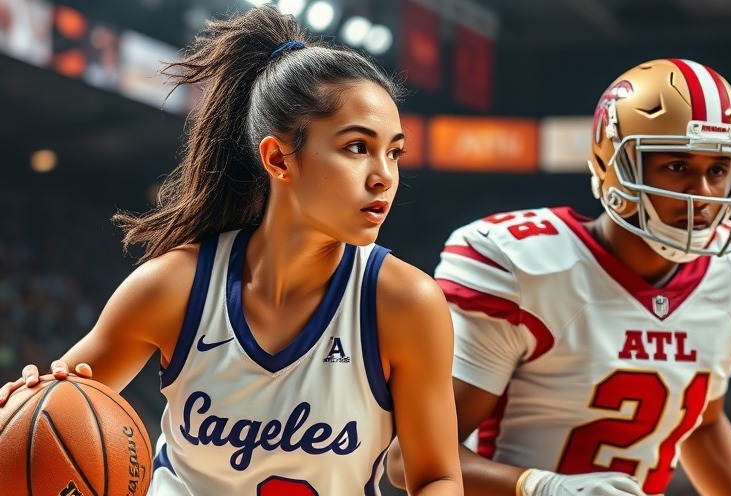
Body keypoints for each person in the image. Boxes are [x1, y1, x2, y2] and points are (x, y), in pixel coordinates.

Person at [0, 6, 463, 496]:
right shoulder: (174, 286)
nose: (384, 176)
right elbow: (47, 423)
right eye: (357, 147)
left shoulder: (405, 304)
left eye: (394, 152)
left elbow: (436, 477)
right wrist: (26, 408)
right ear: (278, 158)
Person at [387, 58, 731, 496]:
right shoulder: (526, 268)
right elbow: (410, 459)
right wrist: (544, 488)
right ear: (614, 163)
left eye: (718, 170)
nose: (703, 194)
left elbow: (702, 424)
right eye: (677, 166)